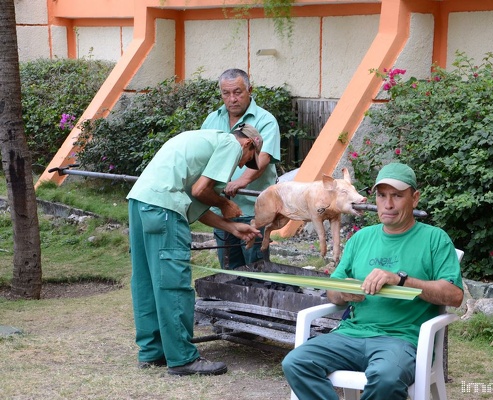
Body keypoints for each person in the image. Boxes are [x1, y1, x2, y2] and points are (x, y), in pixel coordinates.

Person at [282, 163, 464, 399]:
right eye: (381, 196)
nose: (388, 204)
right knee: (296, 362)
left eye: (397, 196)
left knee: (386, 378)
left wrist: (401, 280)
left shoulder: (434, 239)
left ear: (415, 198)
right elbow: (333, 292)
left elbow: (454, 295)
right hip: (351, 335)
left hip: (401, 340)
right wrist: (343, 292)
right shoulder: (361, 238)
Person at [126, 125, 263, 376]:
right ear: (248, 145)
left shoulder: (203, 140)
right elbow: (202, 191)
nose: (242, 166)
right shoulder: (231, 145)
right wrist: (226, 204)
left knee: (146, 280)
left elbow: (194, 204)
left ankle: (152, 352)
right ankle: (182, 359)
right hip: (164, 209)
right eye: (247, 161)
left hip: (140, 202)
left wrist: (231, 228)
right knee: (172, 283)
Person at [201, 68, 281, 269]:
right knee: (228, 269)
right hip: (220, 207)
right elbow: (203, 156)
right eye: (226, 93)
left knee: (256, 270)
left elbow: (263, 158)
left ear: (249, 90)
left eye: (237, 92)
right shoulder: (212, 119)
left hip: (253, 210)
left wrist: (240, 182)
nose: (232, 99)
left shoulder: (265, 121)